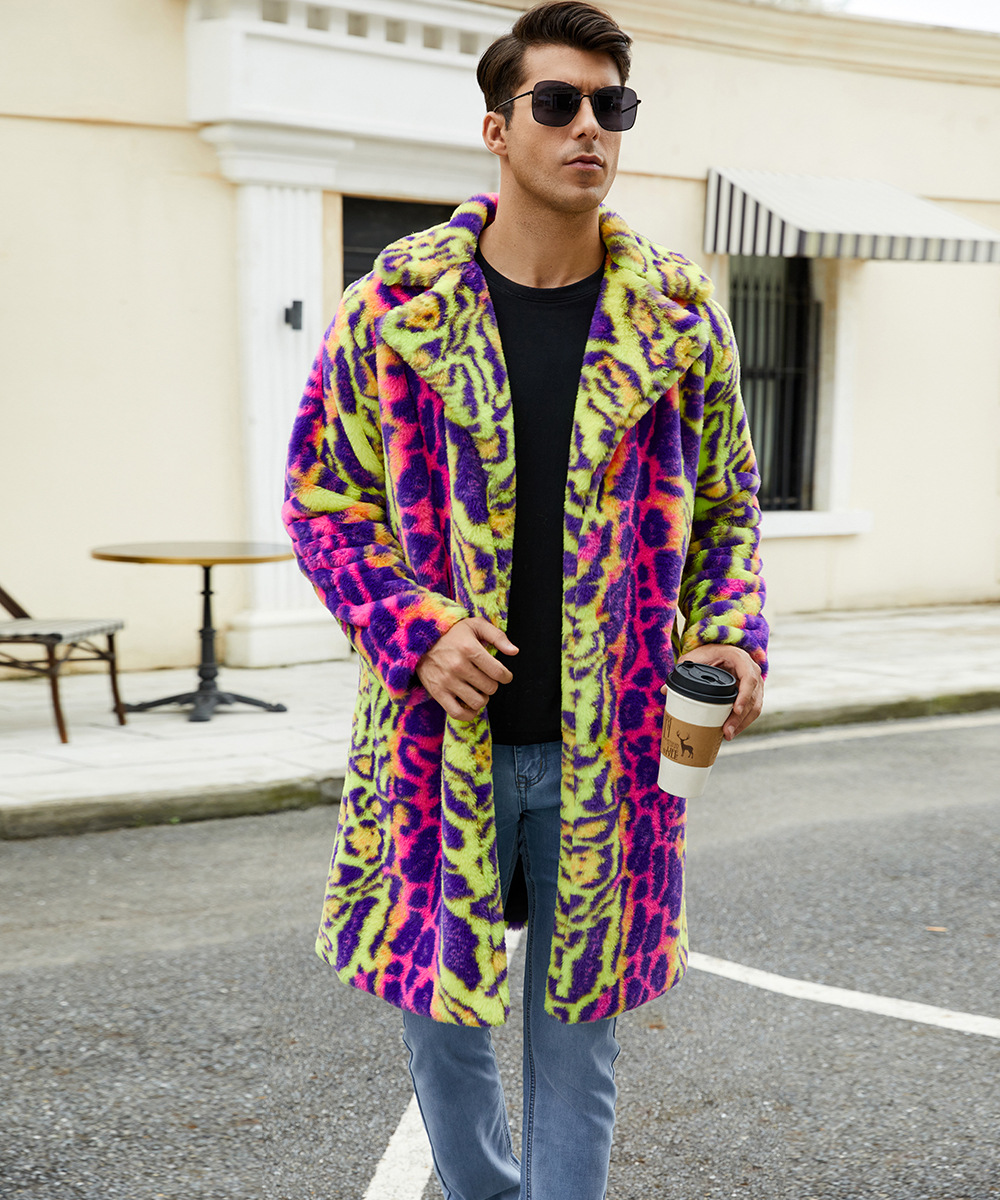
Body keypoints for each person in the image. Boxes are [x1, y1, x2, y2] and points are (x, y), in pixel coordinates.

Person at [282, 2, 767, 1196]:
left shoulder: (677, 321)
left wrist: (729, 637)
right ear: (498, 128)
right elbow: (322, 503)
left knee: (579, 1037)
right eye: (558, 102)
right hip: (437, 741)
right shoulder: (394, 313)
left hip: (616, 746)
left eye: (612, 104)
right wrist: (415, 630)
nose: (588, 125)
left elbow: (726, 508)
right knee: (440, 1021)